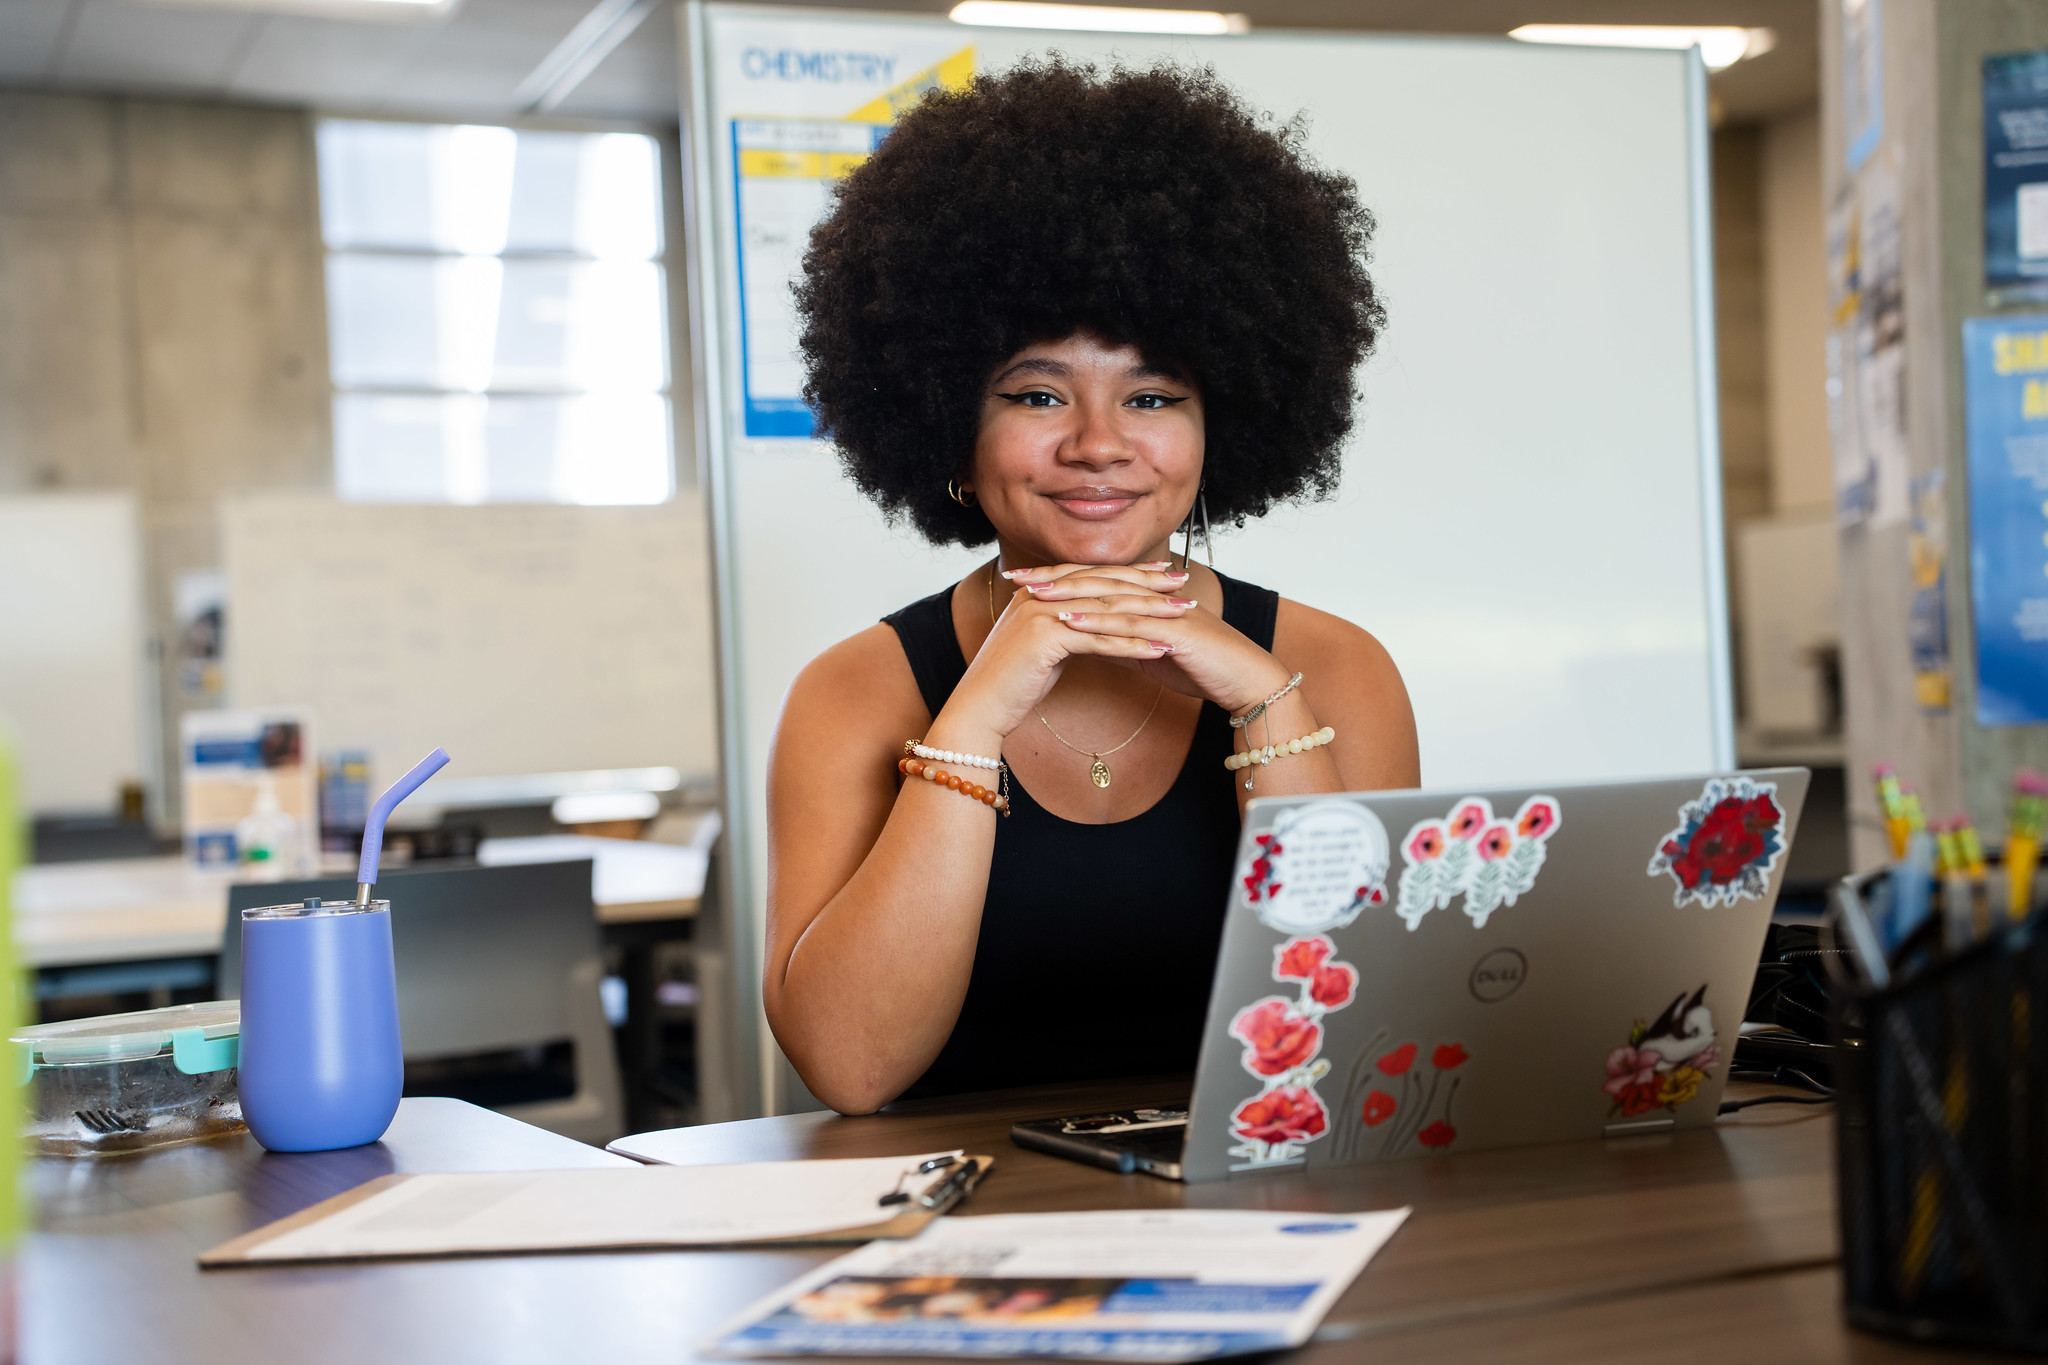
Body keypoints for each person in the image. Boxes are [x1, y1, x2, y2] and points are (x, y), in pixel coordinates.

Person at [766, 59, 1420, 1114]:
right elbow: (850, 1068)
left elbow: (1358, 1035)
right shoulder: (854, 692)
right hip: (952, 1231)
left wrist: (1267, 704)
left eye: (1152, 395)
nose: (1099, 446)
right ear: (947, 428)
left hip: (1262, 1210)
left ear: (1222, 429)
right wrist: (976, 710)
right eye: (1036, 393)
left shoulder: (1335, 669)